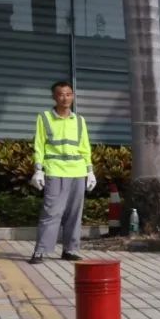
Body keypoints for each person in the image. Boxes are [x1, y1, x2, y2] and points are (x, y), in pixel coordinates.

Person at [29, 81, 96, 264]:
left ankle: (70, 250)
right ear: (54, 97)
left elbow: (85, 148)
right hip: (55, 171)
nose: (65, 98)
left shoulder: (80, 121)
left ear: (72, 96)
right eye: (61, 94)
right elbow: (39, 145)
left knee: (74, 214)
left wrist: (90, 171)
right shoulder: (44, 118)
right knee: (51, 212)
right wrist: (38, 170)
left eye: (68, 94)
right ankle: (40, 251)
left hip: (78, 172)